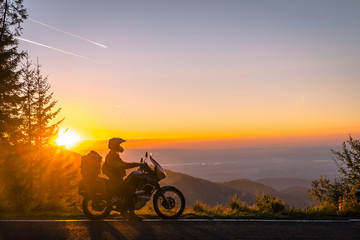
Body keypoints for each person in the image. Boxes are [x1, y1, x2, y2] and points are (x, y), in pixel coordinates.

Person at [102, 137, 143, 220]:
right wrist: (136, 164)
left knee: (128, 188)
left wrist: (136, 164)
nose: (120, 146)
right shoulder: (111, 156)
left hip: (117, 179)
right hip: (115, 180)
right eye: (118, 145)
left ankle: (123, 211)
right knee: (129, 192)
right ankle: (132, 214)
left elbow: (122, 164)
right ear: (114, 146)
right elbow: (123, 165)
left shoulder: (114, 154)